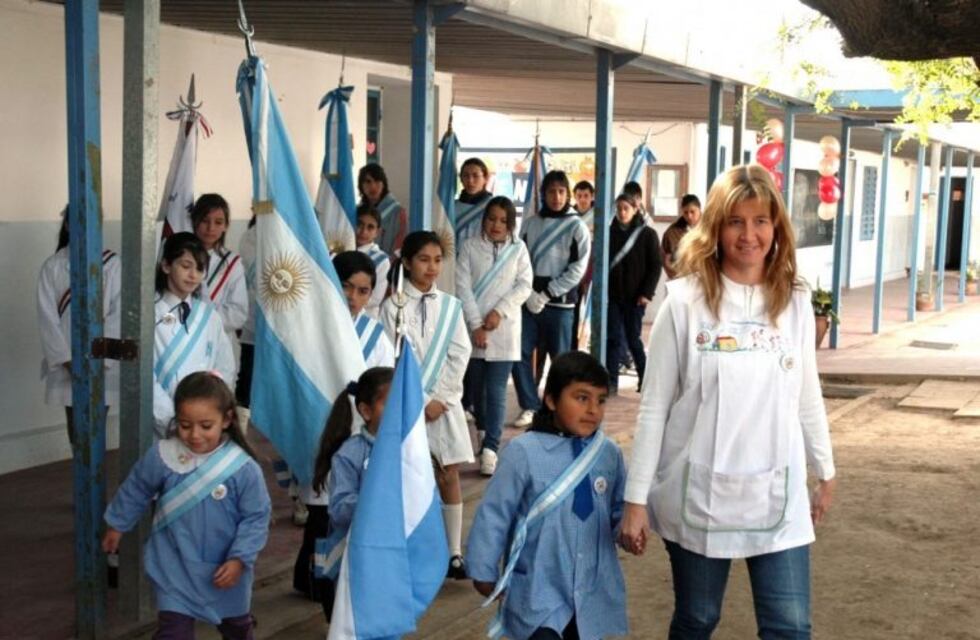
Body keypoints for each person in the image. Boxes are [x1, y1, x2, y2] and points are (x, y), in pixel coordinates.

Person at [619, 165, 837, 639]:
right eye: (735, 221)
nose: (748, 235)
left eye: (760, 221)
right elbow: (654, 407)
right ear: (716, 227)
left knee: (790, 626)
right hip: (701, 492)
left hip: (777, 490)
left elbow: (806, 391)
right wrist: (635, 500)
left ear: (776, 227)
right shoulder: (684, 302)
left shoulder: (795, 301)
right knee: (698, 619)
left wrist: (826, 468)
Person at [465, 352, 629, 640]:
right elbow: (495, 514)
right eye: (581, 398)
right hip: (539, 589)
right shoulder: (523, 452)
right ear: (551, 400)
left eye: (601, 400)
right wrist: (483, 568)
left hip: (591, 589)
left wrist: (628, 530)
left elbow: (617, 510)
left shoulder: (608, 454)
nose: (593, 410)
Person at [102, 372, 271, 639]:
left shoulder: (243, 468)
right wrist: (117, 525)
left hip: (224, 566)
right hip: (175, 563)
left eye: (206, 426)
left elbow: (256, 518)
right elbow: (137, 488)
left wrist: (239, 558)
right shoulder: (163, 456)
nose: (194, 435)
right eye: (185, 425)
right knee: (174, 632)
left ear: (227, 419)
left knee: (236, 627)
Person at [380, 231, 473, 579]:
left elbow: (460, 353)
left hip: (444, 406)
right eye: (423, 259)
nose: (432, 267)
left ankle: (454, 552)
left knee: (448, 473)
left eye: (437, 260)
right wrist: (420, 401)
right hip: (408, 404)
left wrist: (442, 399)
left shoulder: (450, 306)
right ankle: (413, 549)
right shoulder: (392, 307)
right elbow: (391, 358)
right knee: (410, 475)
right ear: (406, 262)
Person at [295, 366, 394, 621]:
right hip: (354, 556)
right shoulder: (350, 453)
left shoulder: (410, 449)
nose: (399, 409)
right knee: (355, 619)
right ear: (366, 411)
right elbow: (339, 508)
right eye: (390, 403)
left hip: (392, 555)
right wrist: (377, 502)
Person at [456, 196, 533, 476]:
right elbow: (462, 286)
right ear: (483, 220)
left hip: (504, 330)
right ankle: (482, 431)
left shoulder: (519, 249)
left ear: (511, 223)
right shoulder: (469, 247)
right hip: (474, 329)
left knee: (497, 391)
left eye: (503, 220)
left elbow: (525, 285)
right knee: (476, 390)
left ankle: (491, 447)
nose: (496, 225)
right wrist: (476, 324)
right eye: (491, 218)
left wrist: (500, 311)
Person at [513, 170, 591, 428]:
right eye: (550, 192)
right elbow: (519, 260)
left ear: (567, 194)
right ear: (543, 194)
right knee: (518, 353)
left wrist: (548, 293)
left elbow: (578, 269)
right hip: (529, 303)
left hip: (560, 305)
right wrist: (529, 293)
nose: (556, 197)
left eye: (561, 191)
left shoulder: (577, 226)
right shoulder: (531, 224)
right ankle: (530, 405)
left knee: (561, 361)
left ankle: (559, 410)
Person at [36, 209, 121, 448]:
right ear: (67, 225)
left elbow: (118, 314)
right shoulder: (52, 266)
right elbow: (47, 318)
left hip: (102, 365)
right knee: (77, 432)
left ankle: (97, 472)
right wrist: (67, 361)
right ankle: (81, 472)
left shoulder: (113, 264)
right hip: (68, 365)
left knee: (96, 428)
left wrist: (100, 360)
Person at [153, 232, 236, 435]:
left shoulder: (209, 316)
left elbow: (225, 367)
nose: (193, 275)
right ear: (166, 266)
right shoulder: (150, 314)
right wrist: (174, 422)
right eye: (185, 266)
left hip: (204, 423)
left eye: (200, 268)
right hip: (161, 423)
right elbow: (146, 379)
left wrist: (210, 414)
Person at [606, 193, 662, 394]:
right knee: (612, 338)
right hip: (613, 295)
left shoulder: (648, 234)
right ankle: (611, 382)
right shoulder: (609, 233)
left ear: (635, 209)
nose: (622, 213)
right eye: (619, 208)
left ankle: (644, 379)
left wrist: (647, 293)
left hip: (636, 298)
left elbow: (655, 266)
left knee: (633, 339)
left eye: (626, 208)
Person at [191, 194, 248, 334]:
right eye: (205, 220)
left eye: (218, 222)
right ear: (194, 221)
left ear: (226, 226)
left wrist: (198, 318)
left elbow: (238, 313)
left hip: (215, 337)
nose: (211, 228)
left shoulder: (233, 263)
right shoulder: (178, 257)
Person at [358, 163, 408, 257]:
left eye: (377, 181)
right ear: (361, 185)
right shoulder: (356, 212)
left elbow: (399, 249)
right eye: (368, 181)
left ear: (383, 184)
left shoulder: (397, 212)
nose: (373, 186)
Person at [354, 205, 390, 318]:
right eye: (359, 224)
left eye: (370, 227)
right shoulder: (340, 250)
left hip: (365, 318)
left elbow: (375, 298)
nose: (363, 231)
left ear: (377, 232)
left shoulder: (381, 260)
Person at [571, 180, 595, 350]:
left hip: (593, 266)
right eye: (579, 196)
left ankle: (593, 343)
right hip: (574, 268)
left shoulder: (600, 215)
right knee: (574, 307)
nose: (583, 199)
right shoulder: (570, 216)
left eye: (586, 195)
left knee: (593, 306)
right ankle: (573, 345)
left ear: (592, 196)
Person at [455, 157, 494, 249]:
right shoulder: (452, 207)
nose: (470, 181)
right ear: (461, 179)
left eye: (475, 176)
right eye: (466, 176)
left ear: (485, 178)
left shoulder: (494, 207)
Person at [662, 194, 702, 279]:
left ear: (699, 209)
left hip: (705, 278)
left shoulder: (710, 229)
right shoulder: (672, 232)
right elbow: (666, 260)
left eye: (692, 212)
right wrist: (676, 275)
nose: (689, 216)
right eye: (685, 212)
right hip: (679, 279)